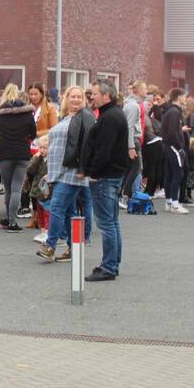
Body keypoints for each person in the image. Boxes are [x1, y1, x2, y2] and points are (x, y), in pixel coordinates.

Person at [38, 85, 94, 262]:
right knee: (69, 212)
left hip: (72, 172)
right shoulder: (65, 118)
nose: (76, 100)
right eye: (72, 96)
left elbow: (88, 145)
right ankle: (74, 248)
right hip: (58, 171)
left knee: (56, 207)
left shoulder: (85, 117)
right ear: (66, 99)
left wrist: (84, 169)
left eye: (79, 97)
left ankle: (50, 245)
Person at [79, 78, 128, 282]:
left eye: (94, 93)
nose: (91, 96)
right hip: (112, 174)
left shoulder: (110, 117)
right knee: (112, 222)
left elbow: (103, 149)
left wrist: (93, 172)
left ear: (106, 95)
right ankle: (112, 264)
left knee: (107, 224)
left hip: (105, 176)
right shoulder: (112, 114)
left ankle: (108, 266)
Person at [0, 83, 36, 233]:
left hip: (5, 153)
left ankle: (8, 218)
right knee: (17, 188)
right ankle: (12, 221)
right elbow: (33, 133)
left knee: (8, 189)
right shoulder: (27, 113)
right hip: (22, 153)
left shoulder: (0, 113)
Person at [18, 83, 58, 221]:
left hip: (42, 148)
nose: (33, 97)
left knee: (39, 180)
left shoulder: (50, 109)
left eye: (36, 94)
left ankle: (40, 213)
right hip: (27, 147)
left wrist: (36, 133)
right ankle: (25, 206)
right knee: (27, 177)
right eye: (31, 94)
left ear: (42, 94)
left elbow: (54, 128)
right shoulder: (26, 108)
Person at [160, 88, 188, 214]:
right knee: (178, 174)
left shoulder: (171, 111)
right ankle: (175, 204)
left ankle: (169, 202)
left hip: (168, 145)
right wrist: (179, 147)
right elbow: (171, 132)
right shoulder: (174, 112)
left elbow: (171, 130)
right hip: (173, 146)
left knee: (170, 174)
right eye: (184, 96)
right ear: (179, 97)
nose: (185, 98)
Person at [121, 81, 149, 203]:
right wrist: (131, 147)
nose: (146, 90)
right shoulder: (133, 105)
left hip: (134, 140)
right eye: (144, 88)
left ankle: (123, 194)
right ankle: (125, 194)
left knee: (131, 169)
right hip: (133, 141)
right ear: (137, 90)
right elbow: (130, 126)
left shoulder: (133, 104)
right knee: (136, 168)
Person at [22, 135, 50, 243]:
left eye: (45, 148)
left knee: (48, 212)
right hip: (38, 190)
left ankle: (48, 232)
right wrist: (37, 158)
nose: (42, 150)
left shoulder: (52, 160)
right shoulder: (37, 159)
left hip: (48, 191)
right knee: (40, 211)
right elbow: (30, 170)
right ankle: (43, 231)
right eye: (40, 148)